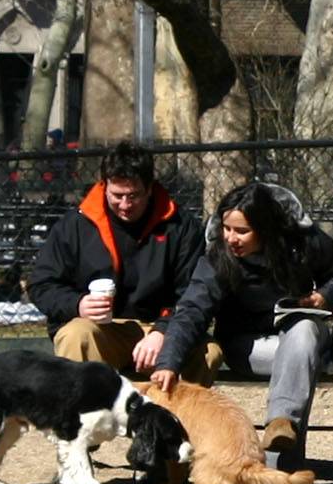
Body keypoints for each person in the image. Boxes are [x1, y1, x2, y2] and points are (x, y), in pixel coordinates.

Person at [149, 182, 333, 471]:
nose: (231, 238)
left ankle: (282, 426)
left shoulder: (302, 243)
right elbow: (192, 310)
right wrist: (168, 362)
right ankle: (283, 461)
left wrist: (326, 295)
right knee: (301, 361)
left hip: (298, 338)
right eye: (227, 229)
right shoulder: (218, 258)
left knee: (304, 331)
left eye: (241, 231)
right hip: (246, 346)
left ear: (265, 229)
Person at [25, 142, 210, 377]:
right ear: (104, 186)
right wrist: (77, 304)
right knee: (76, 336)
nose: (125, 205)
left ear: (150, 189)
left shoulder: (181, 227)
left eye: (133, 196)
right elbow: (41, 284)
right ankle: (79, 410)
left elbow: (193, 293)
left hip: (157, 325)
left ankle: (177, 413)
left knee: (207, 351)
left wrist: (163, 331)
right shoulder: (75, 225)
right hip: (98, 328)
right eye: (117, 195)